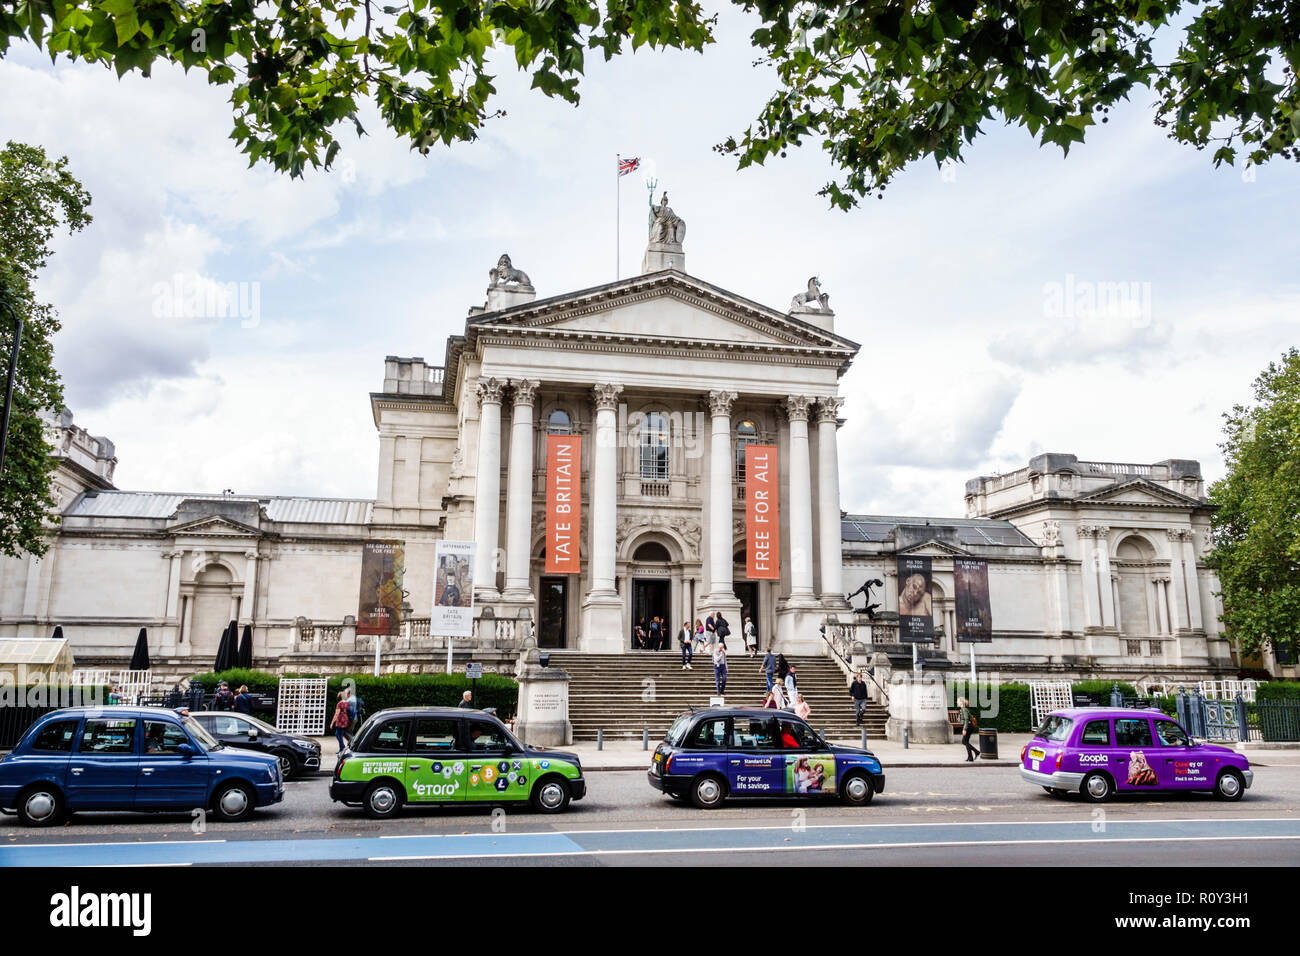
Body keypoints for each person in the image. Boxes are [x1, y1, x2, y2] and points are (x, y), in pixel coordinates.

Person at [959, 697, 980, 761]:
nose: (957, 702)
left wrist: (964, 729)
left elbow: (966, 720)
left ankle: (975, 753)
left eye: (958, 701)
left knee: (964, 741)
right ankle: (971, 756)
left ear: (961, 702)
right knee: (965, 741)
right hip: (969, 726)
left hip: (968, 727)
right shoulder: (964, 709)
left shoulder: (964, 709)